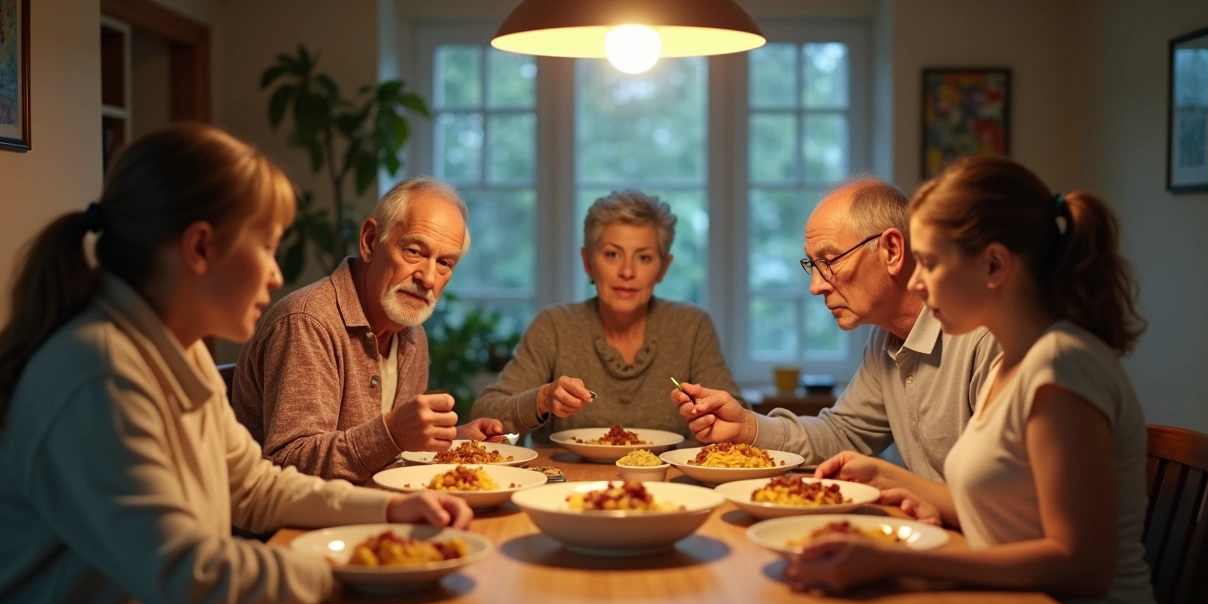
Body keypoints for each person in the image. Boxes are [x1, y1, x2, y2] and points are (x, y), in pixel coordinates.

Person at [0, 124, 474, 604]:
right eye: (267, 247)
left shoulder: (180, 352)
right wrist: (368, 566)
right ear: (201, 248)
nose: (276, 274)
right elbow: (188, 577)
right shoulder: (100, 375)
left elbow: (253, 486)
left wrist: (391, 508)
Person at [789, 156, 1157, 604]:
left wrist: (898, 560)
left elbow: (1083, 566)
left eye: (933, 263)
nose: (918, 282)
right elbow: (1017, 513)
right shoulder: (1013, 360)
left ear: (994, 265)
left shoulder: (1062, 368)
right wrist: (906, 489)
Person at [671, 177, 1001, 480]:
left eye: (829, 261)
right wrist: (747, 427)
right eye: (813, 266)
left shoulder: (985, 337)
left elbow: (1004, 499)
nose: (816, 286)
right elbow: (842, 434)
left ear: (892, 251)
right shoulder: (882, 341)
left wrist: (895, 483)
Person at [233, 177, 503, 484]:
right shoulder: (308, 322)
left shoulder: (411, 333)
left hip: (376, 512)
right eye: (414, 250)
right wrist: (392, 433)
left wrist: (453, 438)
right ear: (370, 240)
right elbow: (286, 465)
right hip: (297, 529)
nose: (428, 278)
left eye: (444, 263)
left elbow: (392, 453)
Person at [471, 189, 743, 439]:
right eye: (612, 254)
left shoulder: (691, 327)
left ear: (663, 268)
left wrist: (710, 417)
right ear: (588, 262)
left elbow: (738, 416)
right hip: (567, 488)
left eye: (644, 258)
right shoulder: (554, 325)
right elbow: (485, 414)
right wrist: (542, 399)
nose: (627, 271)